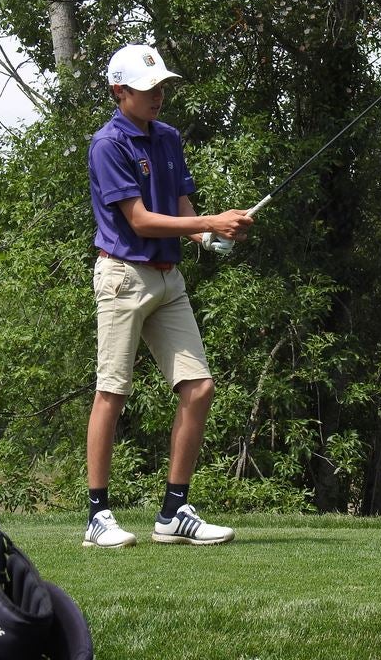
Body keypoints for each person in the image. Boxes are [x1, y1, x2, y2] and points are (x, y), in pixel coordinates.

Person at [84, 43, 253, 548]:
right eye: (146, 88)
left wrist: (212, 235)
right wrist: (205, 222)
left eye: (161, 86)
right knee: (112, 392)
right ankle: (98, 516)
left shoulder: (168, 138)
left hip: (167, 279)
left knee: (199, 387)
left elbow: (179, 204)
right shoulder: (108, 145)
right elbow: (138, 219)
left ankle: (173, 512)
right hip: (122, 277)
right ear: (120, 92)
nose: (158, 95)